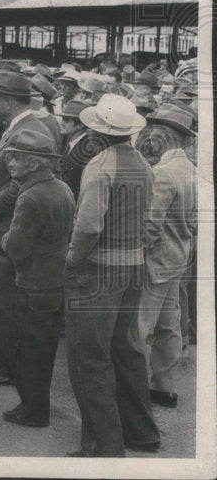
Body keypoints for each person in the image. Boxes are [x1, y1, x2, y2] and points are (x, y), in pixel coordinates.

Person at [65, 95, 159, 457]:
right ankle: (141, 432)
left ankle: (103, 445)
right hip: (133, 265)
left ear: (97, 132)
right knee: (127, 349)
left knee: (89, 356)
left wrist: (73, 260)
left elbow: (88, 226)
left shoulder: (100, 166)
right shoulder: (143, 164)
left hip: (101, 269)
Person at [0, 129, 74, 428]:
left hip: (33, 283)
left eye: (19, 158)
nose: (11, 162)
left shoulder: (30, 196)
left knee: (29, 350)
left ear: (35, 164)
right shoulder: (62, 188)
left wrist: (3, 239)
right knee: (44, 348)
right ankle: (35, 406)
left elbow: (16, 247)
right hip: (55, 281)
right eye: (12, 155)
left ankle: (34, 409)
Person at [0, 71, 51, 386]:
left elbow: (22, 183)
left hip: (5, 227)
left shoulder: (29, 129)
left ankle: (6, 364)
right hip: (1, 227)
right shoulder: (19, 127)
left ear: (8, 100)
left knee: (5, 300)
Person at [135, 103, 197, 410]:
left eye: (155, 130)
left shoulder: (162, 172)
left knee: (141, 326)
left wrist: (139, 254)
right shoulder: (190, 170)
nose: (150, 136)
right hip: (178, 257)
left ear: (166, 135)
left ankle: (134, 388)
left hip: (155, 262)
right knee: (170, 325)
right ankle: (164, 386)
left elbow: (151, 225)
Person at [58, 99, 107, 199]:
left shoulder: (88, 150)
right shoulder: (68, 141)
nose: (62, 123)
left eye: (67, 120)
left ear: (80, 125)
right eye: (63, 119)